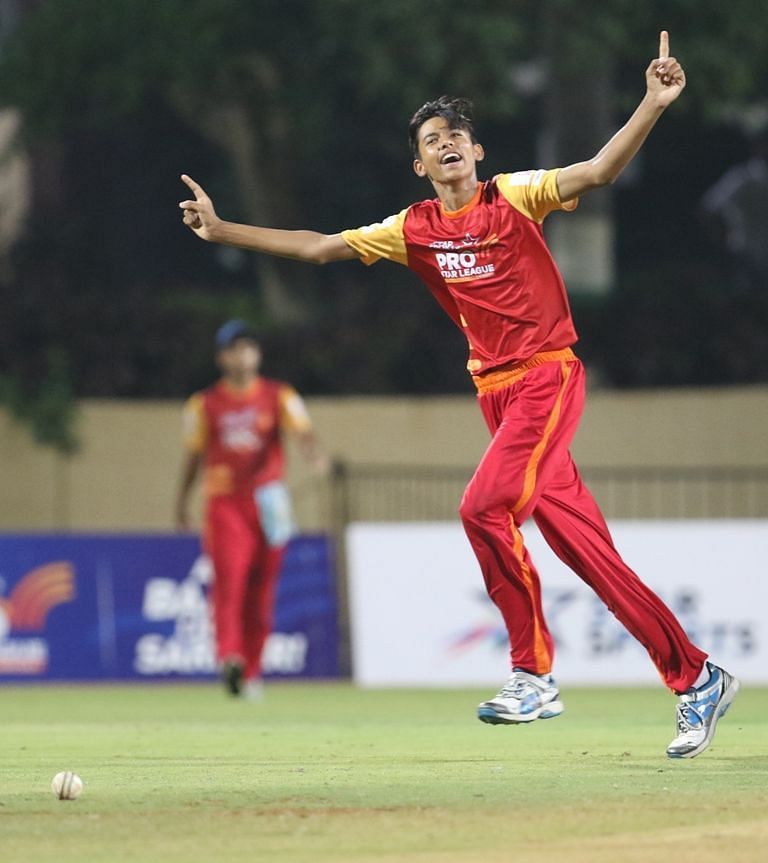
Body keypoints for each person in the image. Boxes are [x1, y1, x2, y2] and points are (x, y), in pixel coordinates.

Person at [179, 33, 739, 756]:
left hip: (546, 378)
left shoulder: (516, 195)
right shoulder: (411, 229)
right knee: (589, 556)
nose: (448, 145)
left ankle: (533, 672)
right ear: (419, 163)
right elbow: (319, 247)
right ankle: (696, 676)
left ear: (476, 153)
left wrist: (653, 102)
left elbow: (598, 170)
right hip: (499, 400)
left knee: (480, 507)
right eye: (433, 139)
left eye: (458, 136)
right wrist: (224, 229)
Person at [175, 319, 327, 699]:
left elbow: (303, 432)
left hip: (271, 502)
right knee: (230, 585)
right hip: (226, 503)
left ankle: (253, 672)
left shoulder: (279, 395)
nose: (243, 355)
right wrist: (181, 501)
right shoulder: (204, 403)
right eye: (234, 349)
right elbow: (193, 457)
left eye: (249, 347)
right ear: (221, 358)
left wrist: (314, 456)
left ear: (257, 354)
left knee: (263, 592)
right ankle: (230, 657)